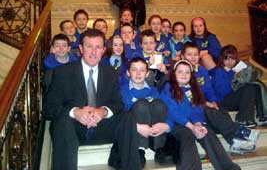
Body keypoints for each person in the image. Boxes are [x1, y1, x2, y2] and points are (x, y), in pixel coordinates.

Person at [43, 29, 142, 170]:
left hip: (101, 126)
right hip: (73, 129)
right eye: (89, 46)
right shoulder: (62, 72)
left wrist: (103, 111)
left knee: (127, 118)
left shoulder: (110, 73)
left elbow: (118, 104)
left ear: (103, 50)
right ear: (81, 49)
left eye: (98, 47)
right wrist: (75, 112)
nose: (93, 52)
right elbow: (49, 108)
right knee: (63, 122)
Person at [160, 60, 241, 170]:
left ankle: (228, 167)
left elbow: (198, 109)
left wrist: (198, 124)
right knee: (187, 135)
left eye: (187, 72)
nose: (184, 74)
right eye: (180, 72)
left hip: (192, 123)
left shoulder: (194, 89)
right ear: (174, 74)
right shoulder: (168, 87)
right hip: (175, 124)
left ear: (191, 75)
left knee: (206, 132)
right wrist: (191, 126)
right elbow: (173, 112)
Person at [181, 42, 259, 153]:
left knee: (218, 108)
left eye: (196, 54)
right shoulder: (179, 72)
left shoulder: (202, 70)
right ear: (182, 56)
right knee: (211, 111)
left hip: (204, 106)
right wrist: (205, 103)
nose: (193, 57)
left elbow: (208, 90)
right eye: (189, 55)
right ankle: (239, 132)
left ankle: (235, 141)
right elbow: (185, 95)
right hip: (190, 109)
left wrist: (213, 101)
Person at [120, 57, 170, 167]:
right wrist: (136, 126)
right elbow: (120, 115)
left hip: (153, 130)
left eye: (142, 70)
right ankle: (140, 150)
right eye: (134, 70)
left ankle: (159, 148)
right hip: (134, 132)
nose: (138, 73)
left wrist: (167, 125)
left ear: (147, 74)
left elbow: (166, 111)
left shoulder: (154, 90)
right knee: (141, 104)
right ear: (128, 73)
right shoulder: (122, 91)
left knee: (159, 104)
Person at [211, 44, 267, 127]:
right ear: (222, 59)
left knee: (256, 85)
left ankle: (262, 116)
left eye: (232, 58)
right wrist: (237, 80)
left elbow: (258, 74)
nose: (230, 61)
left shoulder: (237, 70)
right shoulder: (219, 71)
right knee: (248, 87)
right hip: (224, 101)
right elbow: (223, 92)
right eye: (226, 58)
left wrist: (244, 76)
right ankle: (243, 119)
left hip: (236, 98)